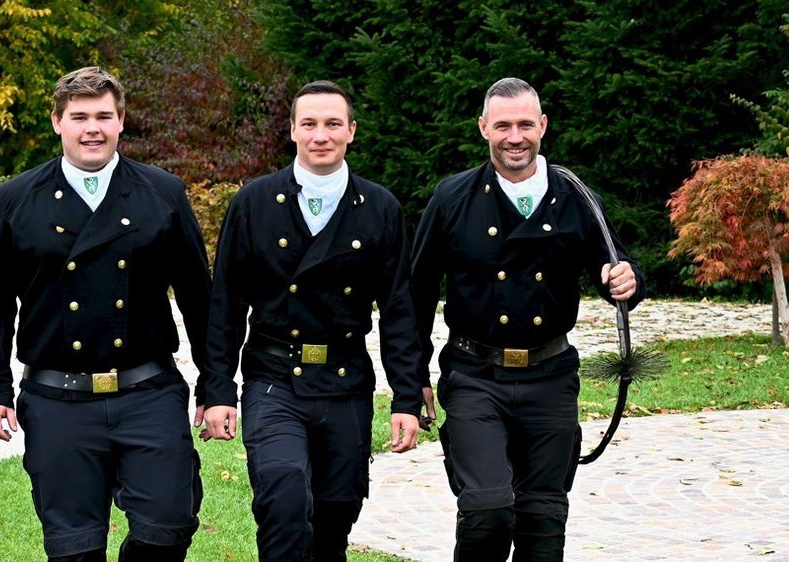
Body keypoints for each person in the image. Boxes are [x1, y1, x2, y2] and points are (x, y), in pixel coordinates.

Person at [0, 66, 212, 561]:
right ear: (57, 122)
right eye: (79, 116)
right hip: (57, 400)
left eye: (104, 116)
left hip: (149, 393)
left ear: (121, 121)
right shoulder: (18, 198)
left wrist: (216, 388)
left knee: (167, 526)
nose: (92, 129)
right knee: (74, 549)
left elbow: (199, 299)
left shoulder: (162, 193)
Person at [410, 77, 644, 561]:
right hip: (474, 375)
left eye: (524, 125)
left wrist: (627, 280)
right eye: (502, 126)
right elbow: (417, 295)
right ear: (483, 128)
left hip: (550, 377)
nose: (514, 137)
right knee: (486, 509)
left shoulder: (576, 195)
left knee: (543, 521)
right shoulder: (452, 198)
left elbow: (615, 267)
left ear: (542, 125)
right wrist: (412, 379)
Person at [197, 80, 425, 561]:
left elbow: (399, 311)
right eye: (310, 124)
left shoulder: (380, 207)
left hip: (346, 381)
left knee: (335, 518)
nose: (321, 135)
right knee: (282, 496)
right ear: (293, 130)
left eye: (332, 124)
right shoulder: (254, 203)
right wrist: (217, 390)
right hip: (274, 378)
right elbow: (226, 306)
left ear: (351, 131)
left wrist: (406, 397)